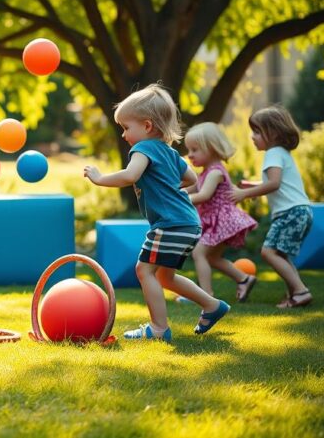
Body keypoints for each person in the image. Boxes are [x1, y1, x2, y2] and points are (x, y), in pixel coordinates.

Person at [84, 84, 229, 341]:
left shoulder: (143, 149)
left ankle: (159, 329)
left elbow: (130, 175)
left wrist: (99, 178)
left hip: (170, 224)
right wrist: (169, 189)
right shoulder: (170, 153)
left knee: (144, 270)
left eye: (126, 128)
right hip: (188, 223)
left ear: (147, 126)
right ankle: (212, 305)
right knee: (165, 276)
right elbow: (191, 178)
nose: (124, 135)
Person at [230, 106, 314, 308]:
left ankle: (300, 292)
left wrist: (244, 194)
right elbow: (276, 182)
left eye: (257, 132)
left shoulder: (273, 153)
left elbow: (274, 184)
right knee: (280, 255)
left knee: (268, 253)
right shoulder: (281, 153)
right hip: (300, 211)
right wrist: (252, 185)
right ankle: (296, 293)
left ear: (274, 133)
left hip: (290, 213)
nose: (252, 136)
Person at [182, 123, 259, 302]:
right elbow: (190, 189)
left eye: (195, 149)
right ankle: (244, 279)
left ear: (212, 148)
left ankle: (206, 295)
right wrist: (174, 193)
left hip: (222, 220)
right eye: (189, 150)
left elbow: (203, 195)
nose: (190, 154)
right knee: (213, 258)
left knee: (199, 254)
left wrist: (179, 200)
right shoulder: (206, 173)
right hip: (216, 221)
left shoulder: (215, 172)